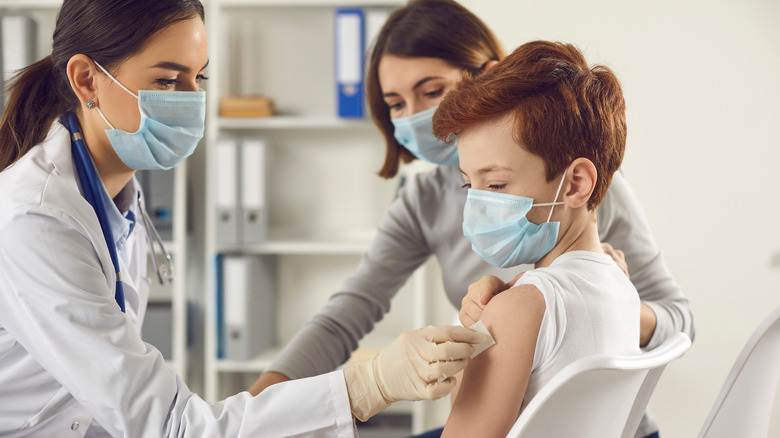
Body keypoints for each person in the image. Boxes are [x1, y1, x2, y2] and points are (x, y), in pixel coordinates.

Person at [0, 1, 491, 436]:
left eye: (198, 79)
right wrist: (366, 384)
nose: (191, 100)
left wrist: (260, 417)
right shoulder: (37, 217)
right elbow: (167, 425)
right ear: (87, 79)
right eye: (168, 81)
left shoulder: (112, 193)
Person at [252, 1, 693, 437]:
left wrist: (579, 309)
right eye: (396, 104)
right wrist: (255, 411)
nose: (416, 117)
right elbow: (348, 311)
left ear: (486, 78)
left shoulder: (582, 187)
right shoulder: (423, 202)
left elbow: (677, 319)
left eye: (429, 91)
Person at [433, 39, 640, 437]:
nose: (476, 206)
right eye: (467, 185)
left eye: (494, 185)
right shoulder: (622, 286)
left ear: (575, 184)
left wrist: (501, 317)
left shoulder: (523, 307)